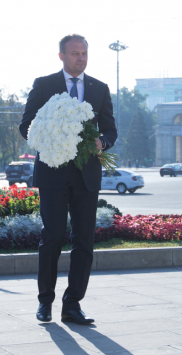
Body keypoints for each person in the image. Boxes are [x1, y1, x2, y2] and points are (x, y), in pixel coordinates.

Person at [19, 34, 117, 325]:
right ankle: (45, 302)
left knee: (84, 240)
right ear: (61, 55)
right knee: (52, 236)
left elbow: (111, 130)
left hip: (87, 176)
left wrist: (102, 142)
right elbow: (27, 125)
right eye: (75, 53)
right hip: (52, 173)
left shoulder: (100, 88)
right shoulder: (44, 84)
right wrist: (51, 138)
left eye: (84, 53)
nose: (81, 58)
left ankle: (72, 304)